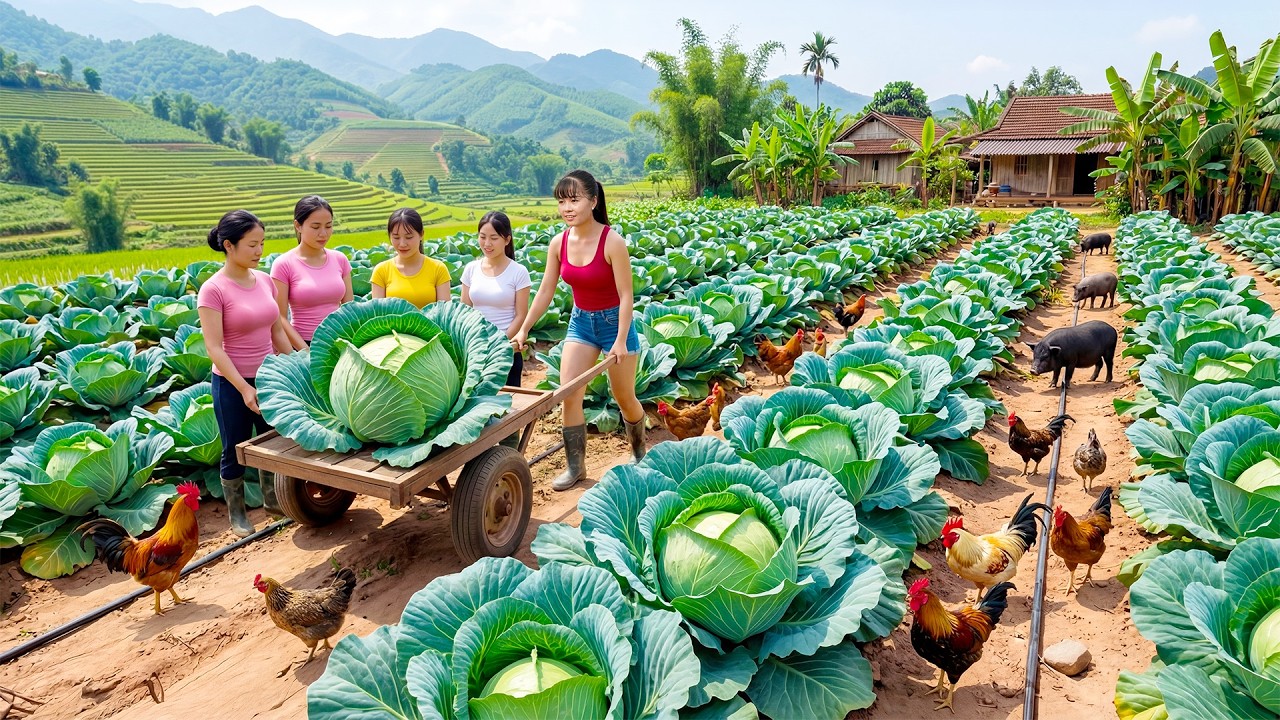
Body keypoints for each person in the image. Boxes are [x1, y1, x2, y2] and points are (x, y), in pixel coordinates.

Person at [513, 169, 644, 491]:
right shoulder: (559, 242)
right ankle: (576, 468)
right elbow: (545, 290)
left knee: (624, 396)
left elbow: (627, 295)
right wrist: (524, 328)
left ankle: (640, 454)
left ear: (593, 201)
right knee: (569, 393)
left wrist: (618, 341)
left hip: (617, 324)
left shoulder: (612, 242)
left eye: (574, 200)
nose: (567, 208)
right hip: (581, 323)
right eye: (561, 201)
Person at [197, 210, 292, 537]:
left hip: (269, 378)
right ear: (228, 245)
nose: (259, 251)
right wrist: (242, 388)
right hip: (230, 383)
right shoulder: (213, 290)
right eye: (252, 245)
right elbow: (214, 347)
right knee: (233, 447)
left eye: (261, 244)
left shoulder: (264, 281)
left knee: (273, 442)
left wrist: (295, 367)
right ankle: (237, 514)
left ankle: (274, 503)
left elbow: (276, 332)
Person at [270, 195, 353, 348]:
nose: (323, 233)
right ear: (298, 226)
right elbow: (280, 318)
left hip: (339, 343)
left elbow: (350, 309)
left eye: (328, 226)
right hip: (302, 344)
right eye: (315, 227)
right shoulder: (283, 264)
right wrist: (305, 352)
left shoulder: (340, 259)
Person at [461, 211, 530, 387]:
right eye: (482, 237)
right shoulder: (471, 269)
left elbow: (521, 315)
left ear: (507, 240)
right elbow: (464, 310)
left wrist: (499, 342)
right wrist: (475, 342)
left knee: (508, 410)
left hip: (506, 350)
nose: (487, 243)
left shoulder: (519, 272)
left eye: (494, 238)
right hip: (475, 350)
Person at [371, 207, 451, 307]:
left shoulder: (438, 269)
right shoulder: (381, 271)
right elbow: (378, 315)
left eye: (409, 237)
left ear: (421, 234)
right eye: (396, 237)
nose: (402, 244)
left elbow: (444, 315)